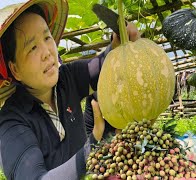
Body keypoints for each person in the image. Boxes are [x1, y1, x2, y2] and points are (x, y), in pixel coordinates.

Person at [0, 0, 140, 179]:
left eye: (47, 37)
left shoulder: (66, 79)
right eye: (33, 47)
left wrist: (119, 43)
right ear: (15, 70)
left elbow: (104, 66)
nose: (47, 52)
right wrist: (92, 143)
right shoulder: (10, 122)